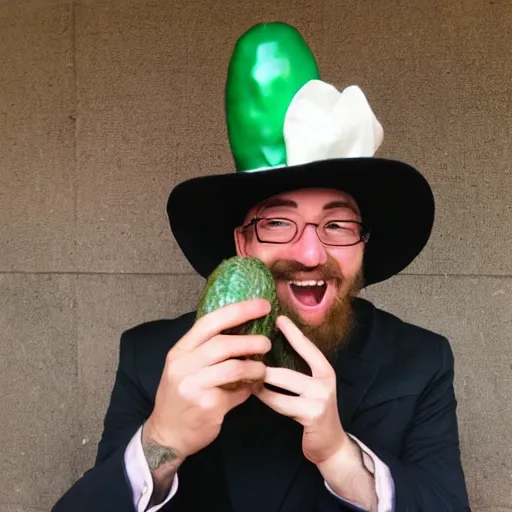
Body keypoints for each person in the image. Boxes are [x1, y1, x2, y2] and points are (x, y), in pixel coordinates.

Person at [53, 22, 470, 512]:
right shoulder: (152, 357)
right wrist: (158, 444)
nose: (311, 254)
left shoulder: (420, 360)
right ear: (241, 244)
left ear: (363, 245)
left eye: (336, 225)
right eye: (277, 223)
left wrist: (340, 455)